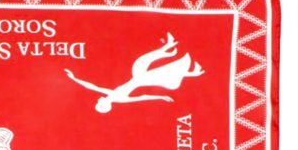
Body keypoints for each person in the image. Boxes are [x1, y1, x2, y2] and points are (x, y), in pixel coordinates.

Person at [65, 33, 204, 113]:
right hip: (140, 79)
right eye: (98, 103)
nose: (98, 100)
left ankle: (169, 47)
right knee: (158, 70)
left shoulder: (112, 96)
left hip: (138, 78)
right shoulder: (116, 97)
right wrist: (161, 97)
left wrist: (74, 78)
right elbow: (143, 97)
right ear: (104, 104)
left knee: (144, 62)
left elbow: (91, 86)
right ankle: (190, 70)